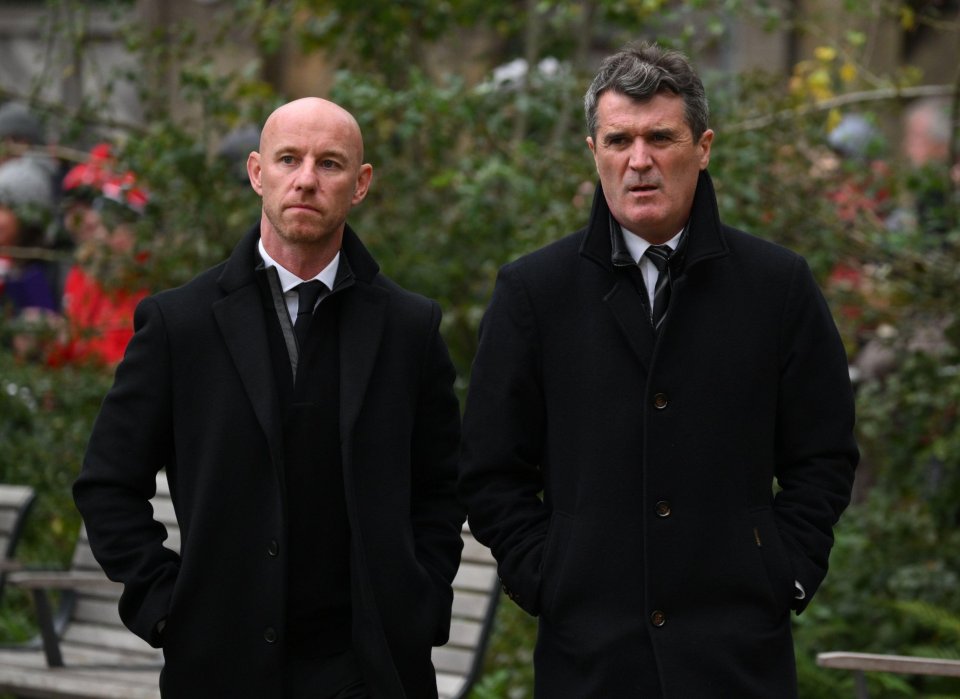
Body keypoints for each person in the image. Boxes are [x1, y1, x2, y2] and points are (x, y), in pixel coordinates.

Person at [458, 42, 859, 698]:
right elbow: (488, 469)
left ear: (703, 146)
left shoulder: (777, 286)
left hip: (737, 656)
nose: (638, 161)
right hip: (589, 657)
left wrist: (782, 568)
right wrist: (546, 574)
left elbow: (825, 453)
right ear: (593, 151)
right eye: (618, 139)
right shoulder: (535, 292)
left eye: (659, 138)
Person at [73, 97, 464, 698]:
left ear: (360, 185)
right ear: (258, 173)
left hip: (370, 667)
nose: (307, 179)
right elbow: (106, 482)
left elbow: (442, 486)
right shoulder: (181, 324)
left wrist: (422, 602)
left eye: (329, 164)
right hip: (220, 664)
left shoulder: (408, 329)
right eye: (289, 159)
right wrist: (166, 607)